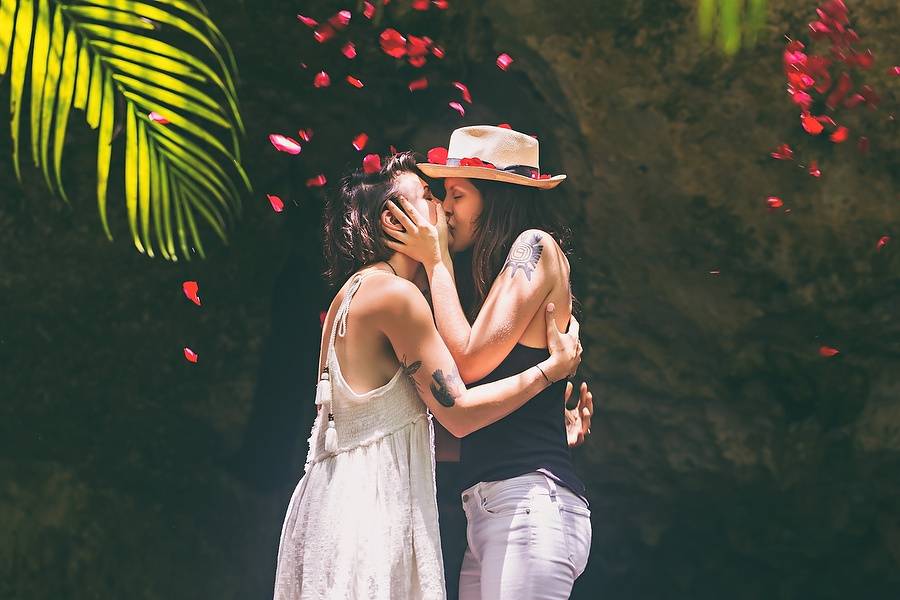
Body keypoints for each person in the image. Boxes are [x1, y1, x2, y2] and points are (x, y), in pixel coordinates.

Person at [272, 152, 583, 600]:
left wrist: (540, 430)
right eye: (429, 196)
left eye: (452, 195)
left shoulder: (359, 290)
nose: (441, 207)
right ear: (393, 221)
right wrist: (549, 373)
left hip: (338, 505)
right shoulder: (395, 297)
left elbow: (397, 429)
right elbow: (457, 410)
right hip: (367, 508)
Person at [384, 125, 592, 599]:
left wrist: (436, 262)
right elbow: (466, 420)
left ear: (495, 198)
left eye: (458, 194)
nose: (447, 209)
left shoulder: (535, 245)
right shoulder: (495, 280)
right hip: (494, 507)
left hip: (527, 507)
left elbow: (468, 365)